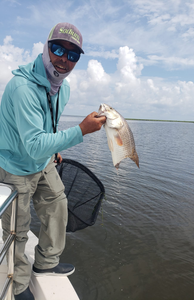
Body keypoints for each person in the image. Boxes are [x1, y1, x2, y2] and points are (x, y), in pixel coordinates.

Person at [0, 22, 106, 300]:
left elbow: (45, 127)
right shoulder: (23, 87)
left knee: (58, 205)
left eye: (72, 55)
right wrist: (81, 131)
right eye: (58, 49)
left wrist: (55, 145)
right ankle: (19, 285)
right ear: (46, 48)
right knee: (17, 231)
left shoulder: (64, 89)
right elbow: (33, 145)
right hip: (15, 166)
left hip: (42, 159)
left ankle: (46, 261)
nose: (64, 59)